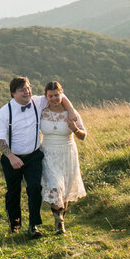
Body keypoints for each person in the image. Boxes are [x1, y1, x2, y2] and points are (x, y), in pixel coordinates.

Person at [0, 76, 78, 238]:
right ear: (13, 94)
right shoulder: (5, 111)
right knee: (13, 191)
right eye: (21, 90)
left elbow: (61, 95)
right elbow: (0, 138)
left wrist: (71, 110)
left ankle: (33, 226)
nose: (27, 92)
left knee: (34, 188)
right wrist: (11, 156)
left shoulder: (37, 102)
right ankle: (15, 225)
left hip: (33, 156)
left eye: (28, 88)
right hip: (12, 157)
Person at [39, 81, 87, 234]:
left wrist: (74, 129)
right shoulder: (41, 111)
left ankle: (60, 221)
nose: (54, 98)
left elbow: (83, 136)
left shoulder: (71, 113)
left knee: (64, 190)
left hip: (67, 152)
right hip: (47, 153)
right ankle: (59, 220)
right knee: (54, 186)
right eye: (50, 96)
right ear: (46, 96)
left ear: (61, 94)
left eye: (56, 95)